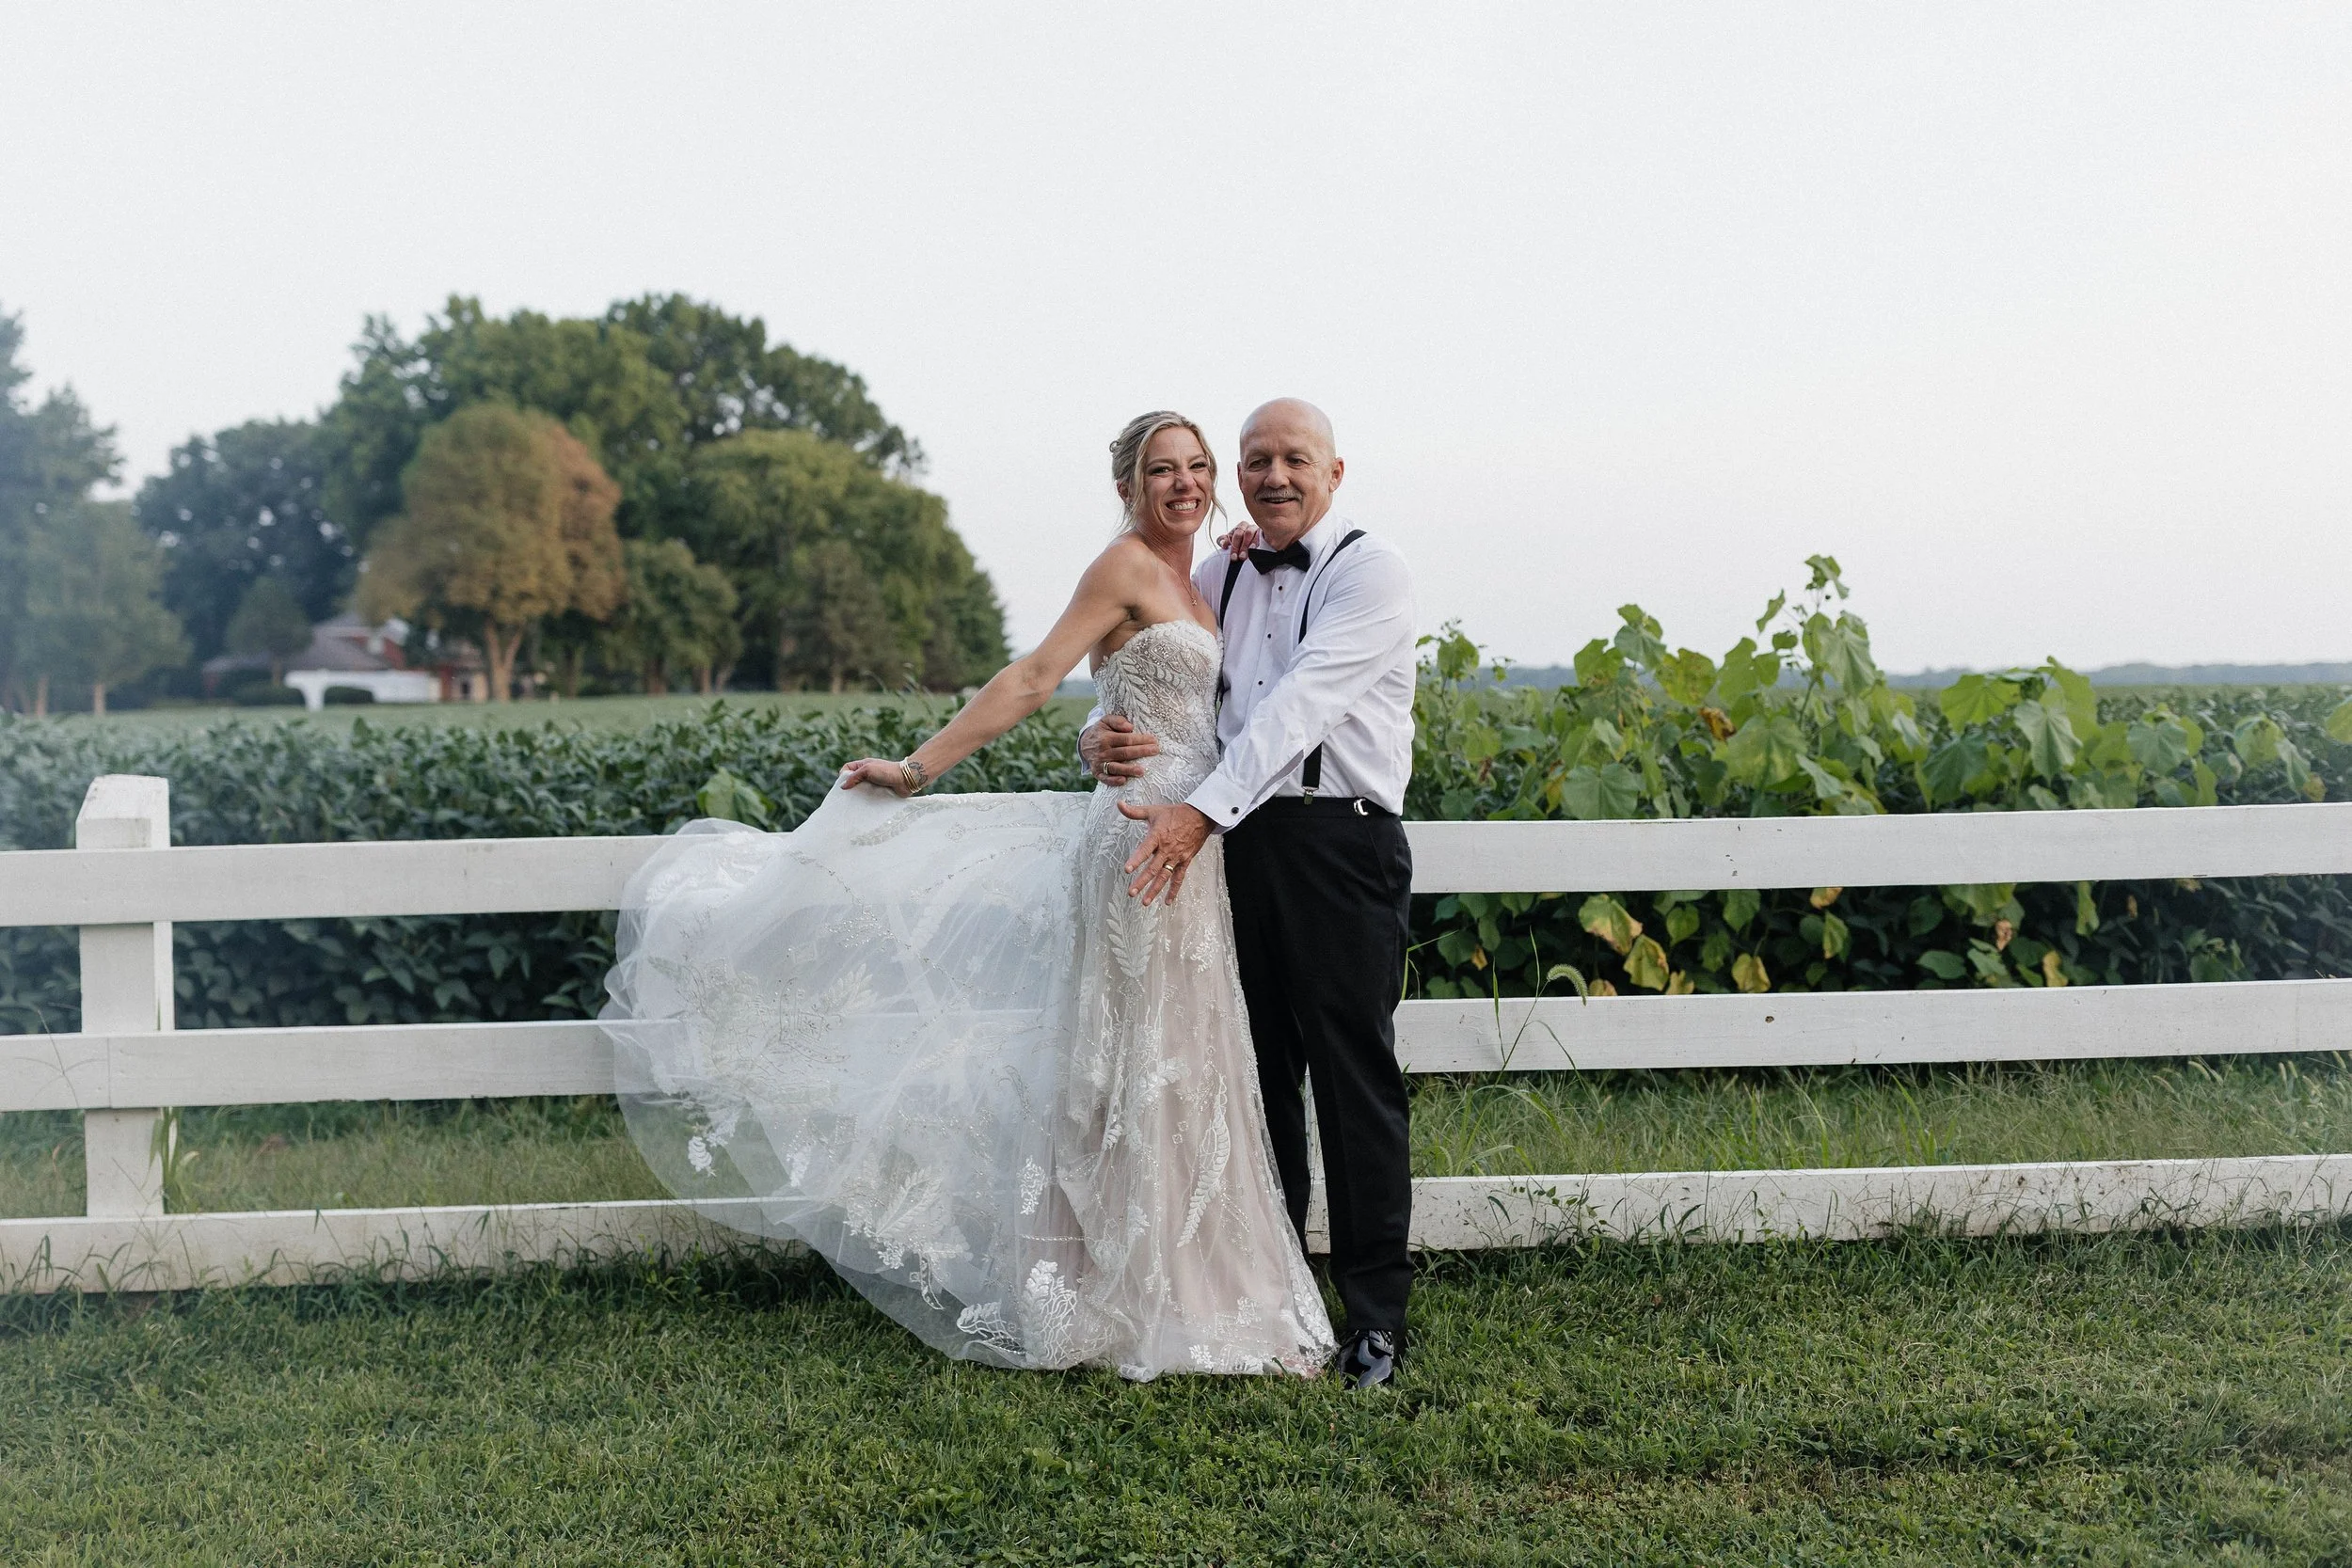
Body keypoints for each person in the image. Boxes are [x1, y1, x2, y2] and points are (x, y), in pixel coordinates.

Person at [601, 411, 1334, 1382]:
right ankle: (1115, 1291)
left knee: (1184, 1057)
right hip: (1137, 842)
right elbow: (1036, 673)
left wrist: (1111, 717)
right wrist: (918, 765)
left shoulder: (1203, 578)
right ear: (1128, 483)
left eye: (1199, 467)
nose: (1186, 483)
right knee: (1127, 1060)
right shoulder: (1121, 567)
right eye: (1164, 469)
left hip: (1196, 841)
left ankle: (1189, 1279)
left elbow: (1178, 698)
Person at [1083, 398, 1419, 1390]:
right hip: (1233, 846)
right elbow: (1159, 693)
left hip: (1335, 841)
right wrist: (1094, 740)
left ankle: (1374, 1317)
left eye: (1294, 459)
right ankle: (1272, 1289)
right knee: (1252, 1071)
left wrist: (1200, 815)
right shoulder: (1220, 568)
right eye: (1256, 460)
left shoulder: (1371, 571)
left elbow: (1296, 707)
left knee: (1351, 1079)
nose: (1273, 476)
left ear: (1335, 470)